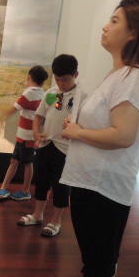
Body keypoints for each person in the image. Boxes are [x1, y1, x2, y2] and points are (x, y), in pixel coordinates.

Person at [45, 0, 139, 277]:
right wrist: (77, 125)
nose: (105, 26)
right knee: (94, 254)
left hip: (103, 186)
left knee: (99, 261)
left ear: (133, 32)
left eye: (114, 21)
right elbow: (108, 124)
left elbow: (123, 135)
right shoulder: (122, 74)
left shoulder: (133, 77)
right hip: (92, 181)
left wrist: (78, 132)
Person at [17, 55, 86, 237]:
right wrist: (35, 133)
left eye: (65, 80)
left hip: (65, 150)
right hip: (45, 145)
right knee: (41, 182)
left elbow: (84, 126)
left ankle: (56, 221)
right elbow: (39, 116)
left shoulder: (83, 98)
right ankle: (37, 214)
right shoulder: (51, 93)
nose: (61, 84)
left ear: (76, 74)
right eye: (57, 79)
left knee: (61, 187)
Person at [0, 65, 48, 201]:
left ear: (28, 77)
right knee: (15, 161)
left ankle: (25, 191)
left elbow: (14, 109)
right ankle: (4, 187)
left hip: (27, 137)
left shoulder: (29, 93)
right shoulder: (42, 93)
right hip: (25, 136)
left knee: (27, 163)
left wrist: (1, 116)